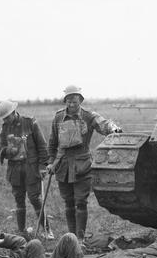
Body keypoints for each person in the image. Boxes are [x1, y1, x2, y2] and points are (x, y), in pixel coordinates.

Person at [46, 86, 122, 240]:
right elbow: (52, 142)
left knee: (80, 202)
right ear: (65, 101)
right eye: (68, 101)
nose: (71, 104)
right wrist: (50, 162)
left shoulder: (89, 116)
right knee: (68, 202)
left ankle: (79, 239)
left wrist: (113, 129)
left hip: (82, 166)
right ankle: (71, 237)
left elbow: (103, 124)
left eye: (74, 101)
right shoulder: (58, 117)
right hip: (63, 167)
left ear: (80, 100)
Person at [0, 100, 52, 239]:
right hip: (15, 170)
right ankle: (21, 231)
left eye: (7, 117)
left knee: (35, 198)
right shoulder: (4, 128)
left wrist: (43, 166)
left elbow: (42, 145)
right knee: (19, 199)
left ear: (14, 113)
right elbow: (1, 148)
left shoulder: (30, 122)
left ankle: (46, 230)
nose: (6, 120)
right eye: (3, 118)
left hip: (31, 168)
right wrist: (7, 151)